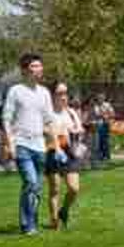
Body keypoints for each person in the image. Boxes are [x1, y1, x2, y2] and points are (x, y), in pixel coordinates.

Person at [1, 52, 55, 236]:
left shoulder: (44, 93)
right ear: (24, 70)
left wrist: (55, 144)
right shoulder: (15, 91)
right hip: (22, 144)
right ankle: (28, 224)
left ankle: (32, 220)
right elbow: (6, 118)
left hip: (40, 146)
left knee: (36, 187)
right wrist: (10, 143)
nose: (38, 69)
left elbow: (49, 120)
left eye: (39, 65)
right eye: (34, 66)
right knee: (31, 182)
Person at [46, 81, 85, 229]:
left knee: (74, 188)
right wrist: (55, 133)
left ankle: (64, 210)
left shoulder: (71, 112)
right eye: (60, 93)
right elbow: (43, 129)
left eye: (65, 93)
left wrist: (76, 131)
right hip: (52, 150)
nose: (64, 97)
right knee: (55, 189)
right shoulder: (47, 113)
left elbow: (80, 128)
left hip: (69, 151)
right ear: (52, 95)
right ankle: (54, 221)